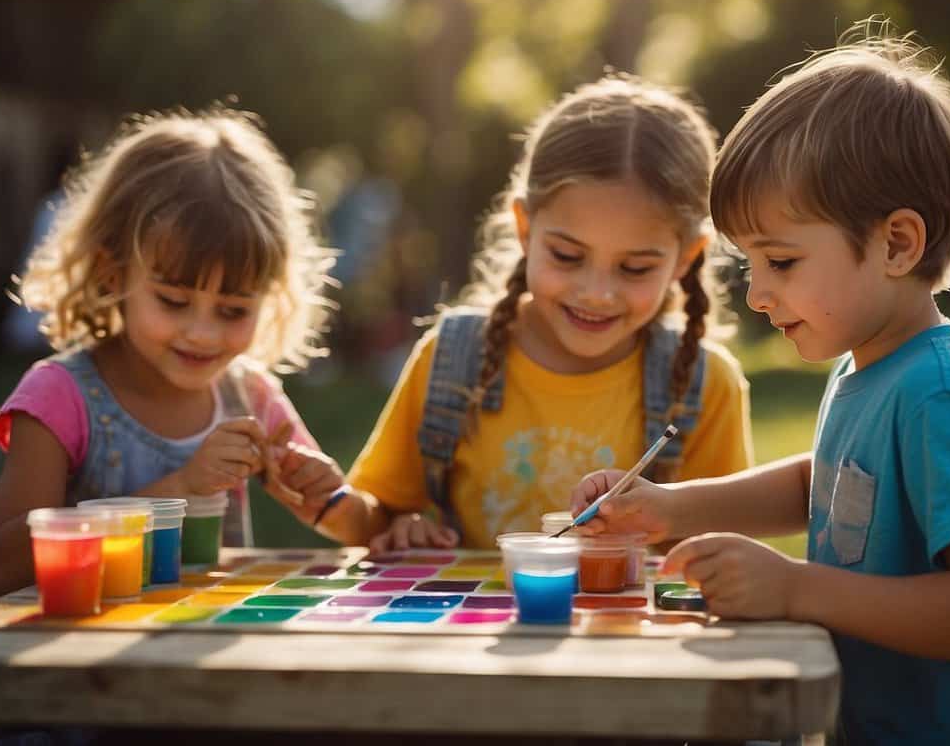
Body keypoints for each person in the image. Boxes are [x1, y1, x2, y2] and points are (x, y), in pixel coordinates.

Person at [571, 23, 950, 744]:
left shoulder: (941, 394)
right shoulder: (869, 362)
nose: (755, 295)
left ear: (897, 243)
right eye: (751, 264)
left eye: (779, 261)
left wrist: (795, 588)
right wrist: (669, 508)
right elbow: (831, 483)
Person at [317, 74, 755, 553]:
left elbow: (723, 551)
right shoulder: (452, 359)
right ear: (526, 228)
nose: (596, 293)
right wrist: (396, 530)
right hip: (475, 627)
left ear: (686, 259)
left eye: (635, 267)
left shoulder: (703, 385)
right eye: (567, 256)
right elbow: (378, 517)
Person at [0, 108, 349, 598]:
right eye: (173, 302)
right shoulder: (60, 396)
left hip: (204, 656)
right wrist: (179, 489)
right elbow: (3, 567)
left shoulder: (251, 397)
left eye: (234, 310)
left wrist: (332, 496)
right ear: (113, 275)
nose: (202, 334)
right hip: (77, 664)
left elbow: (355, 527)